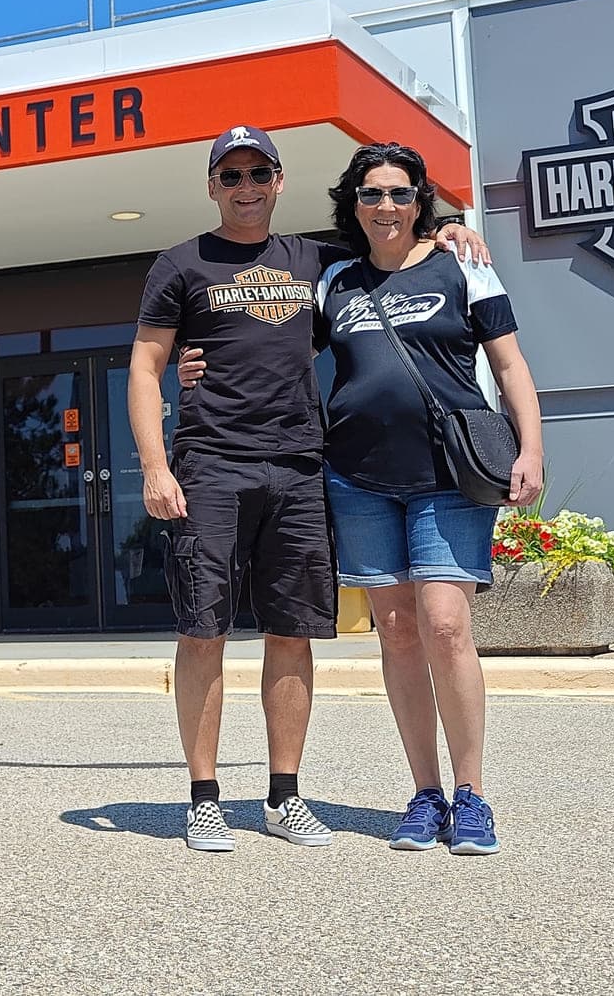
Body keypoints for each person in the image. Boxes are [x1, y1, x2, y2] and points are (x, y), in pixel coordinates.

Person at [128, 125, 489, 854]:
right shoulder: (180, 263)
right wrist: (155, 467)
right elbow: (144, 365)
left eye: (259, 173)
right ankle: (204, 799)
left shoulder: (317, 262)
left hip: (299, 465)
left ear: (280, 182)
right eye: (232, 176)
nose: (247, 187)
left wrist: (449, 229)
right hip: (211, 466)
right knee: (203, 631)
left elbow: (391, 244)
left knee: (291, 632)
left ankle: (283, 797)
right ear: (212, 186)